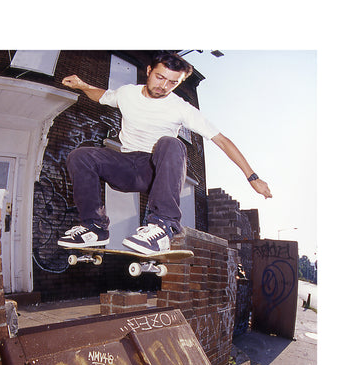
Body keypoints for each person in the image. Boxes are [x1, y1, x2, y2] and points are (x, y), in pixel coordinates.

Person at [58, 51, 272, 256]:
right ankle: (94, 227)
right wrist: (82, 86)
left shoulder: (181, 108)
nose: (163, 86)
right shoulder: (127, 93)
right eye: (160, 77)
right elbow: (103, 96)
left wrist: (252, 177)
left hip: (156, 169)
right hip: (125, 167)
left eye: (173, 83)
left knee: (171, 143)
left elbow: (222, 140)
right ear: (149, 71)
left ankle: (163, 225)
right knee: (80, 156)